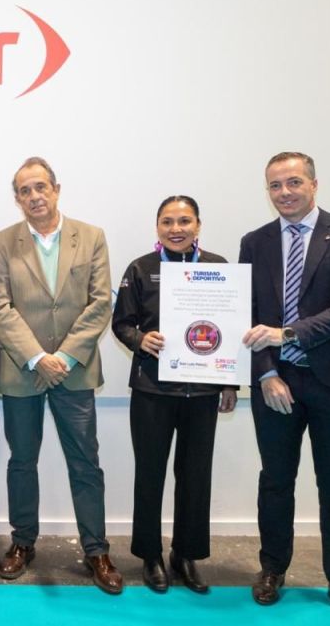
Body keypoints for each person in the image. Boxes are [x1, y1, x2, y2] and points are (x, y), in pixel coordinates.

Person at [241, 152, 330, 626]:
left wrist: (287, 335)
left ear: (314, 185)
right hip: (276, 382)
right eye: (275, 185)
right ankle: (272, 569)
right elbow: (247, 316)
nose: (285, 192)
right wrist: (265, 374)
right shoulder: (254, 242)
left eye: (294, 182)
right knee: (275, 481)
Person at [0, 156, 122, 594]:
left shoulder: (92, 236)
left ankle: (96, 550)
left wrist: (63, 355)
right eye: (25, 191)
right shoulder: (2, 243)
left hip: (74, 370)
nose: (34, 196)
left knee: (85, 463)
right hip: (22, 370)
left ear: (56, 189)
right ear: (17, 198)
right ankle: (22, 542)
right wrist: (36, 357)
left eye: (40, 187)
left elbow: (100, 303)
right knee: (22, 461)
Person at [111, 195, 237, 594]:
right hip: (152, 389)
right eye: (167, 221)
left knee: (196, 476)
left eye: (184, 221)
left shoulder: (218, 268)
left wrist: (230, 382)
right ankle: (150, 555)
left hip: (203, 391)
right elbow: (121, 323)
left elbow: (232, 328)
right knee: (150, 472)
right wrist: (140, 339)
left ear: (198, 225)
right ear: (157, 228)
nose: (176, 229)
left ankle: (186, 555)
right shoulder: (141, 269)